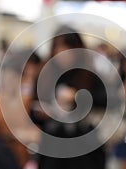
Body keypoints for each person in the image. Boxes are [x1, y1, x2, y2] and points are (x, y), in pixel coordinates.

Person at [31, 26, 106, 169]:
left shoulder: (88, 74)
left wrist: (77, 96)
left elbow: (105, 100)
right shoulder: (45, 75)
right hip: (52, 145)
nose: (62, 54)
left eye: (67, 49)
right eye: (58, 48)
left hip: (84, 146)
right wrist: (42, 113)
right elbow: (33, 108)